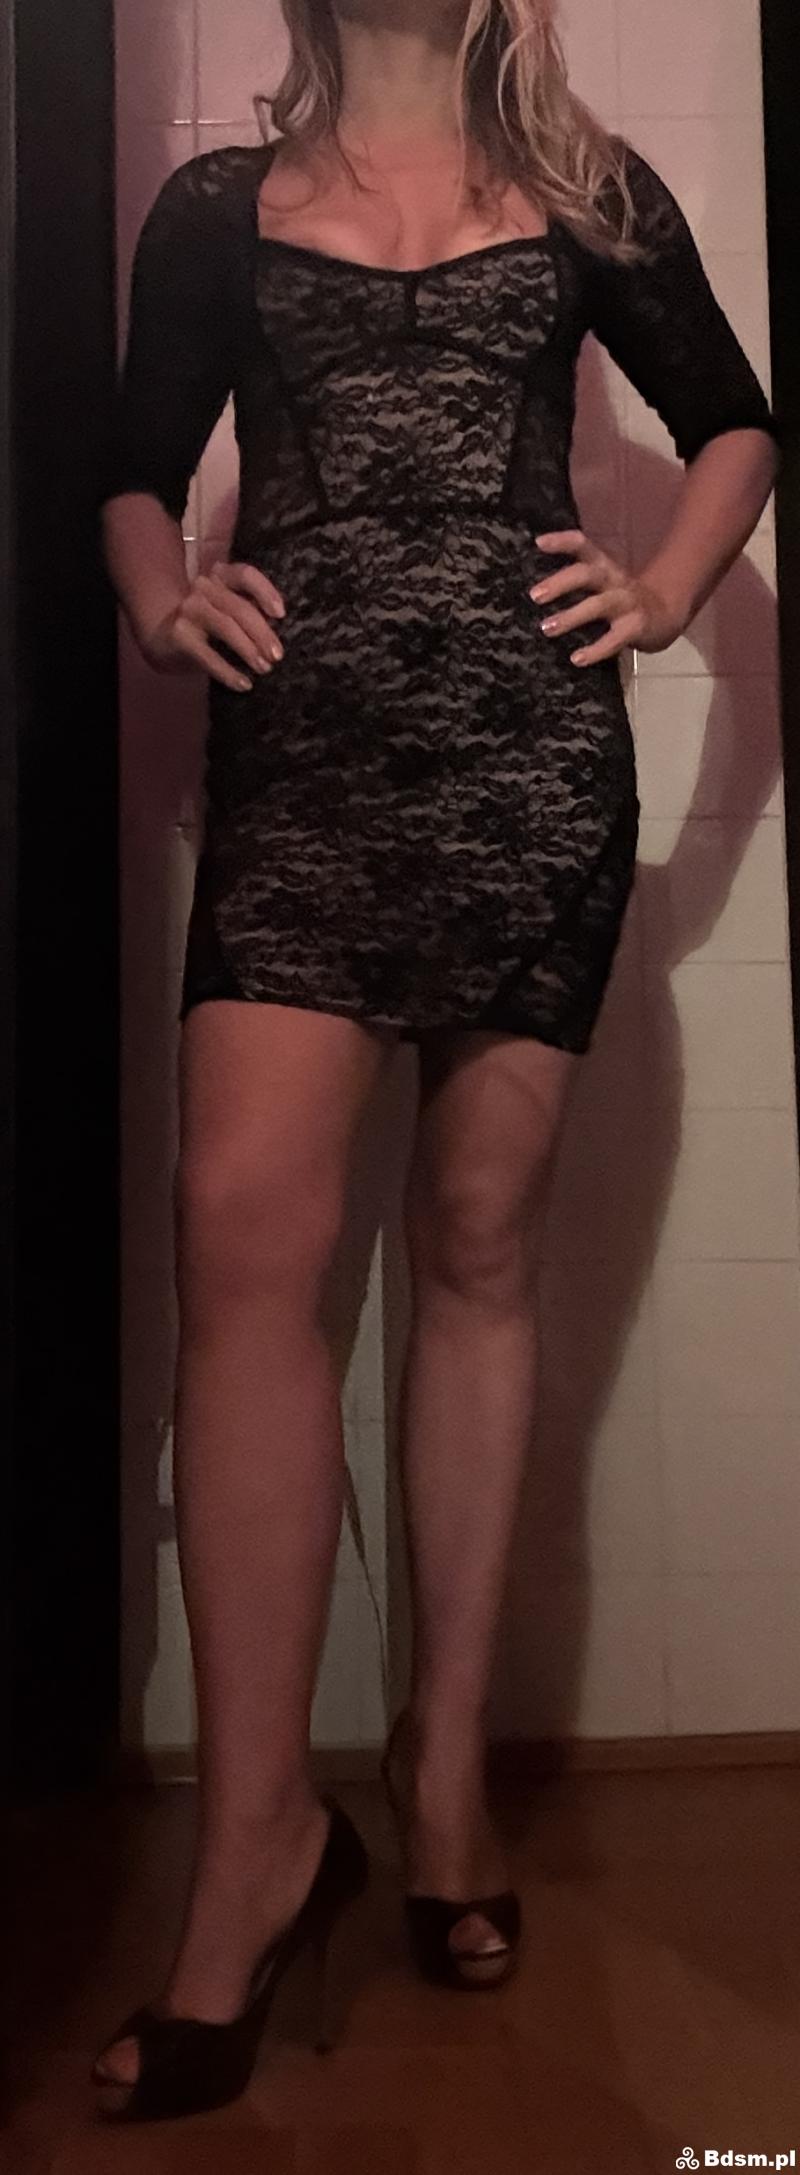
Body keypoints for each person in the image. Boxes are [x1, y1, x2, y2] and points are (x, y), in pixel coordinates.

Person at [91, 0, 781, 2125]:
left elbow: (735, 424)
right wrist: (161, 597)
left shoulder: (585, 193)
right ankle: (254, 1844)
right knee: (242, 1247)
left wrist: (663, 587)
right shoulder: (218, 205)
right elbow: (132, 472)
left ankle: (447, 1768)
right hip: (301, 780)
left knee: (478, 1250)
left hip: (526, 776)